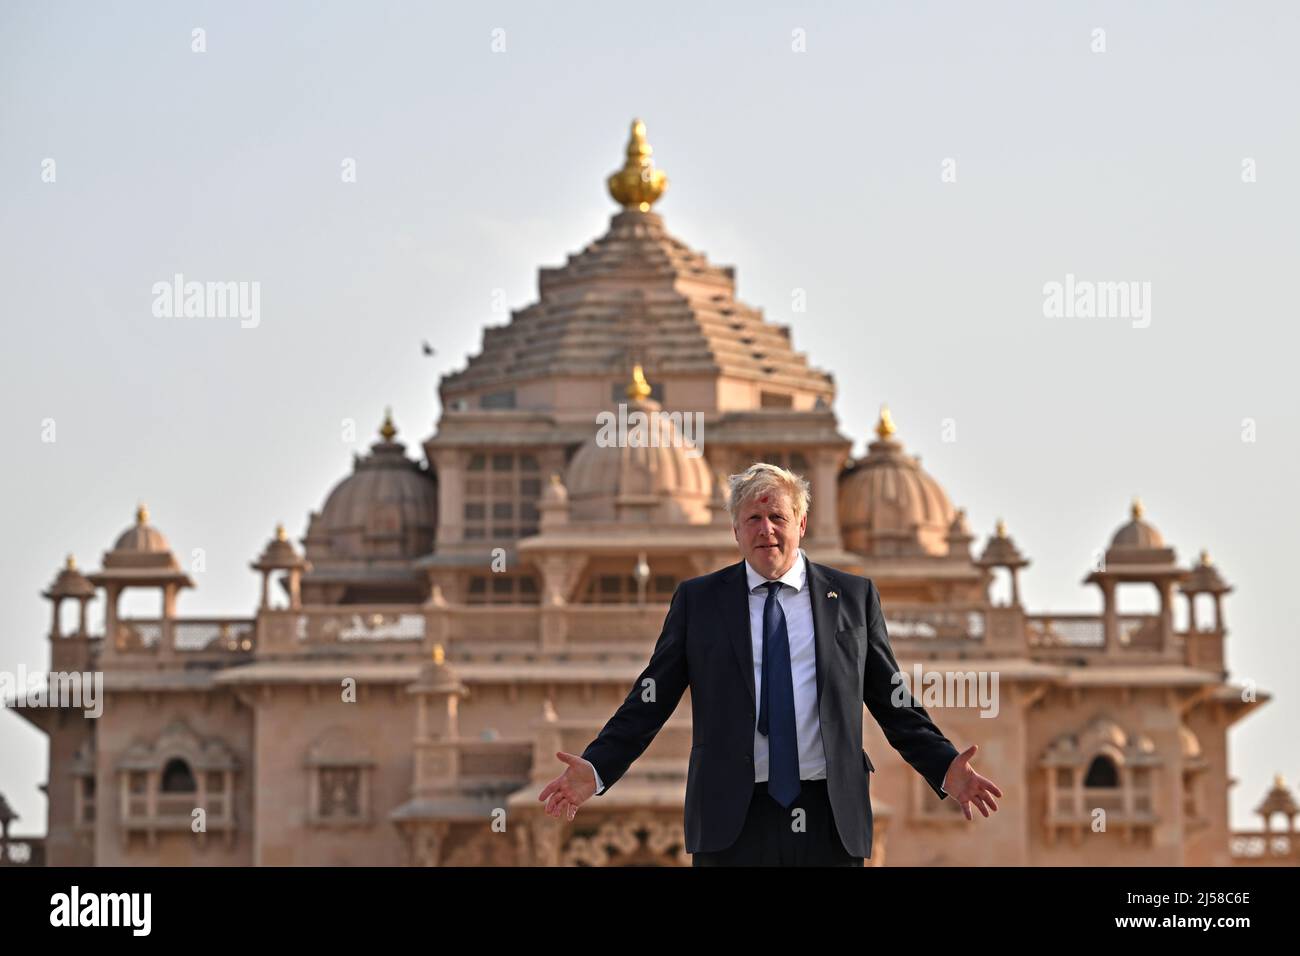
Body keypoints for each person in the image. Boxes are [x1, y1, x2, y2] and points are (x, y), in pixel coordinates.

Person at [537, 462, 1003, 865]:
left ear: (802, 523)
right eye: (753, 518)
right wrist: (596, 768)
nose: (767, 530)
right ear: (735, 530)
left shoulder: (852, 598)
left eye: (778, 516)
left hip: (828, 814)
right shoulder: (700, 601)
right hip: (734, 816)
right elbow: (649, 700)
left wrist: (945, 767)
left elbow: (893, 702)